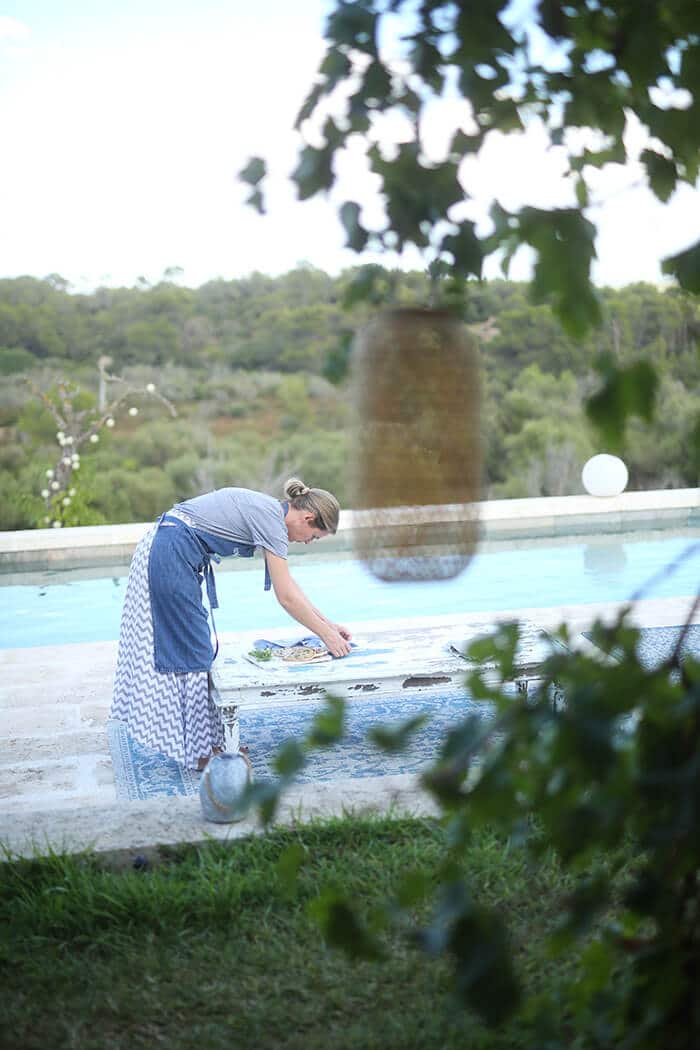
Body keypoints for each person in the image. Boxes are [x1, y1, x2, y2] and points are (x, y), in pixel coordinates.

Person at [110, 478, 352, 770]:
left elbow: (291, 587)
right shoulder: (273, 522)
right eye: (312, 537)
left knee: (199, 648)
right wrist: (327, 636)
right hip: (168, 551)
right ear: (307, 518)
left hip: (170, 547)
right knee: (192, 650)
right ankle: (199, 754)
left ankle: (214, 743)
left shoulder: (271, 513)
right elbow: (286, 596)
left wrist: (330, 625)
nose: (305, 542)